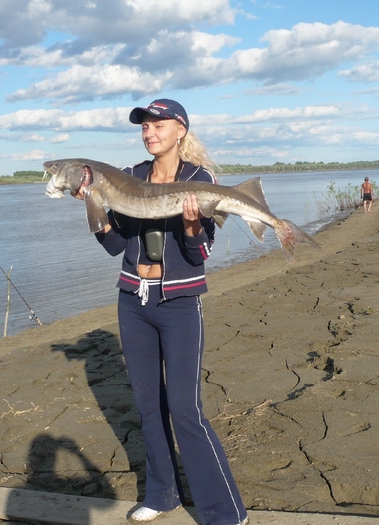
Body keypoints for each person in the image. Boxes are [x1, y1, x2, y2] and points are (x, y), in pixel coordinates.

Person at [76, 99, 248, 525]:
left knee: (186, 410)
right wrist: (93, 206)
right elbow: (117, 246)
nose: (149, 132)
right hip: (134, 300)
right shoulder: (129, 178)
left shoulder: (199, 179)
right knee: (148, 405)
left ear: (180, 130)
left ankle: (226, 512)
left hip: (180, 304)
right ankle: (162, 494)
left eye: (158, 124)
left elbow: (200, 251)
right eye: (144, 126)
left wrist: (191, 225)